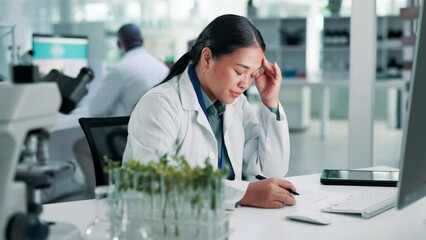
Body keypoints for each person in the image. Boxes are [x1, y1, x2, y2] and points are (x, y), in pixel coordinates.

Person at [123, 14, 297, 209]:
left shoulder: (237, 104)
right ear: (206, 59)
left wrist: (270, 101)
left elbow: (271, 172)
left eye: (253, 75)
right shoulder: (160, 105)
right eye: (239, 72)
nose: (245, 84)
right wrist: (243, 194)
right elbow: (154, 184)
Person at [74, 23, 169, 198]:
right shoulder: (160, 66)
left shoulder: (121, 68)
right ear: (142, 41)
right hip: (160, 139)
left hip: (127, 140)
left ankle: (96, 196)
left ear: (119, 45)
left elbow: (95, 110)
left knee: (80, 146)